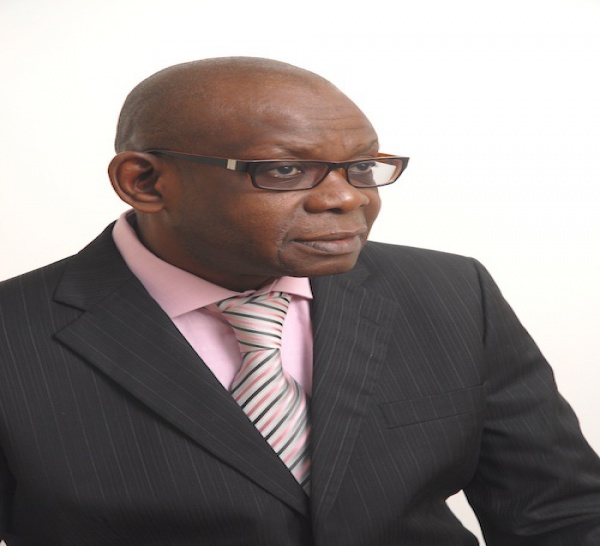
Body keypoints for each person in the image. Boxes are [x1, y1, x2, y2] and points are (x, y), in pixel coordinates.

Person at [0, 57, 599, 545]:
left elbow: (560, 512)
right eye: (286, 171)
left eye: (361, 166)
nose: (347, 198)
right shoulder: (13, 334)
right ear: (145, 182)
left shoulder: (450, 292)